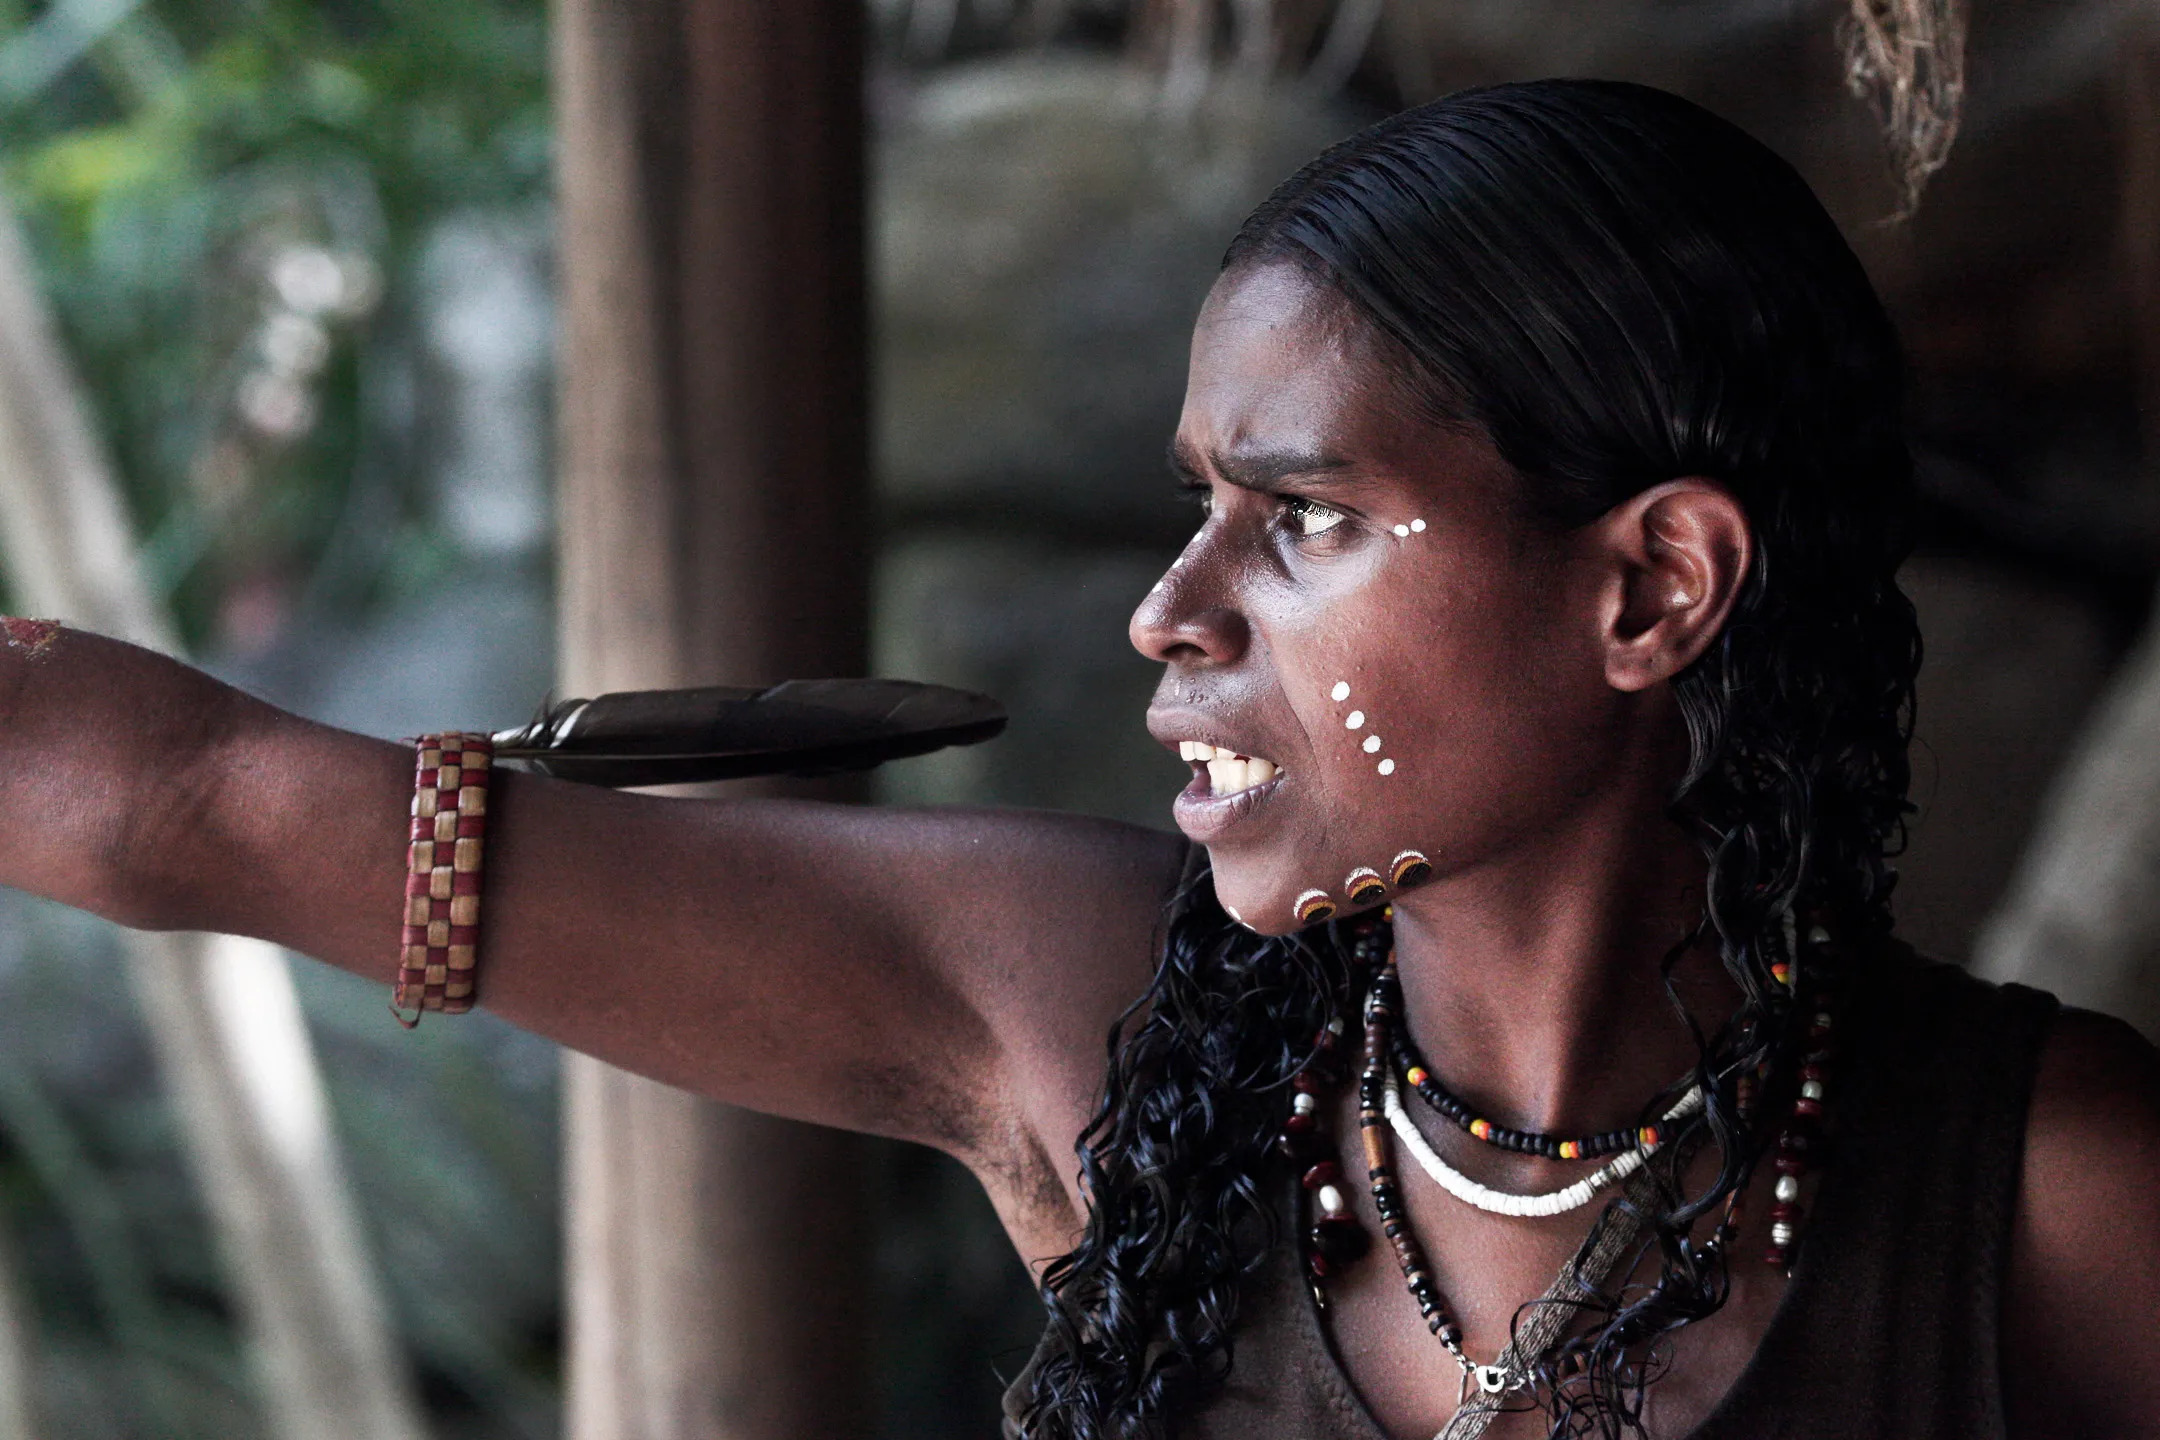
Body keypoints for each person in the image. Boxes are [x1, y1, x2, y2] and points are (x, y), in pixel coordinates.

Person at [0, 78, 2154, 1440]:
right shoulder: (1092, 1026)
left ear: (1653, 589)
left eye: (1298, 519)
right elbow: (190, 799)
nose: (1171, 607)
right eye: (1193, 505)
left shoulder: (2045, 1209)